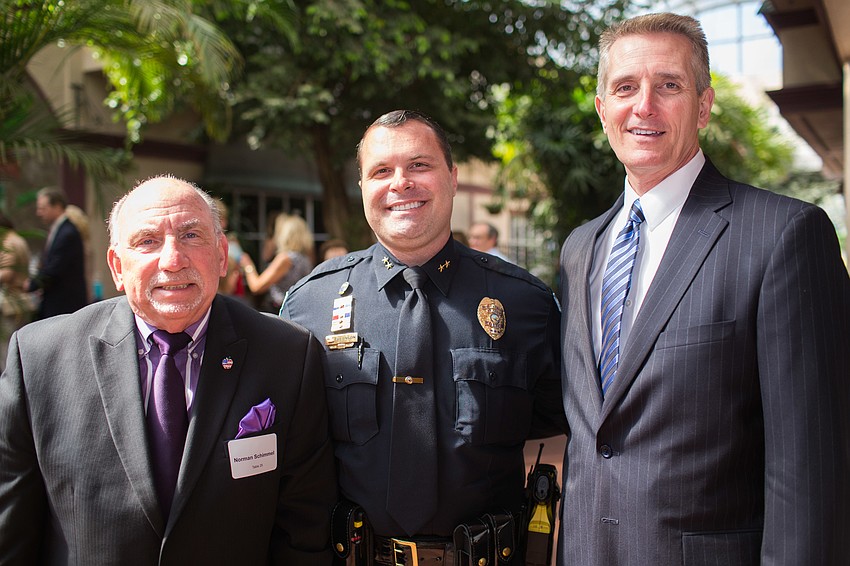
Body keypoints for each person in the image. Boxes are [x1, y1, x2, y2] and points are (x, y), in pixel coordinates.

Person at [557, 13, 850, 566]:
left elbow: (812, 467)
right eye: (625, 87)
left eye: (668, 85)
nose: (644, 105)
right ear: (602, 111)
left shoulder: (783, 236)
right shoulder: (580, 250)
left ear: (704, 105)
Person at [0, 175, 337, 564]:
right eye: (147, 241)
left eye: (191, 236)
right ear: (117, 266)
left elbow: (305, 531)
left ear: (222, 254)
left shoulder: (288, 355)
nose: (173, 260)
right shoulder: (40, 358)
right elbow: (12, 534)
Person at [281, 110, 566, 565]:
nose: (400, 183)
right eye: (381, 171)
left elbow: (554, 418)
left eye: (419, 165)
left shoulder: (526, 304)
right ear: (362, 189)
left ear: (452, 178)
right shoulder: (309, 305)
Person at [26, 186, 87, 318]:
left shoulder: (67, 233)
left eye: (43, 208)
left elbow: (54, 268)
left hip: (64, 304)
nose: (38, 213)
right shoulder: (59, 230)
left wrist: (31, 284)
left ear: (57, 206)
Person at [240, 212, 314, 312]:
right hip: (294, 309)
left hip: (277, 309)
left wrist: (247, 265)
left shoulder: (285, 258)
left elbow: (257, 286)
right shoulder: (304, 258)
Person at [0, 212, 32, 370]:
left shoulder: (8, 242)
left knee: (8, 350)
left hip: (11, 302)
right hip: (20, 300)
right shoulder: (18, 239)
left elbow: (7, 272)